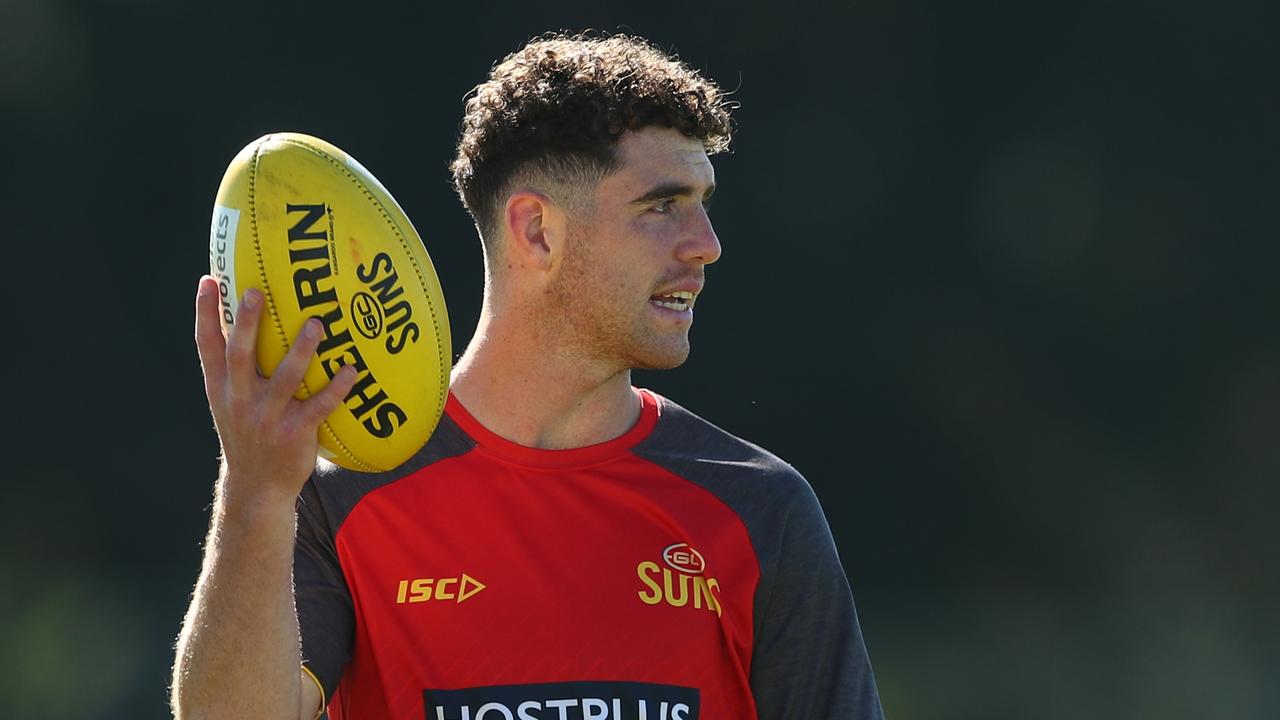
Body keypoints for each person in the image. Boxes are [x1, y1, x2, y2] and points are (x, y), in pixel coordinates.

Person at [172, 32, 883, 720]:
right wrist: (254, 493)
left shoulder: (761, 510)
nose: (708, 246)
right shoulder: (340, 493)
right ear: (537, 231)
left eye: (704, 205)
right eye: (662, 206)